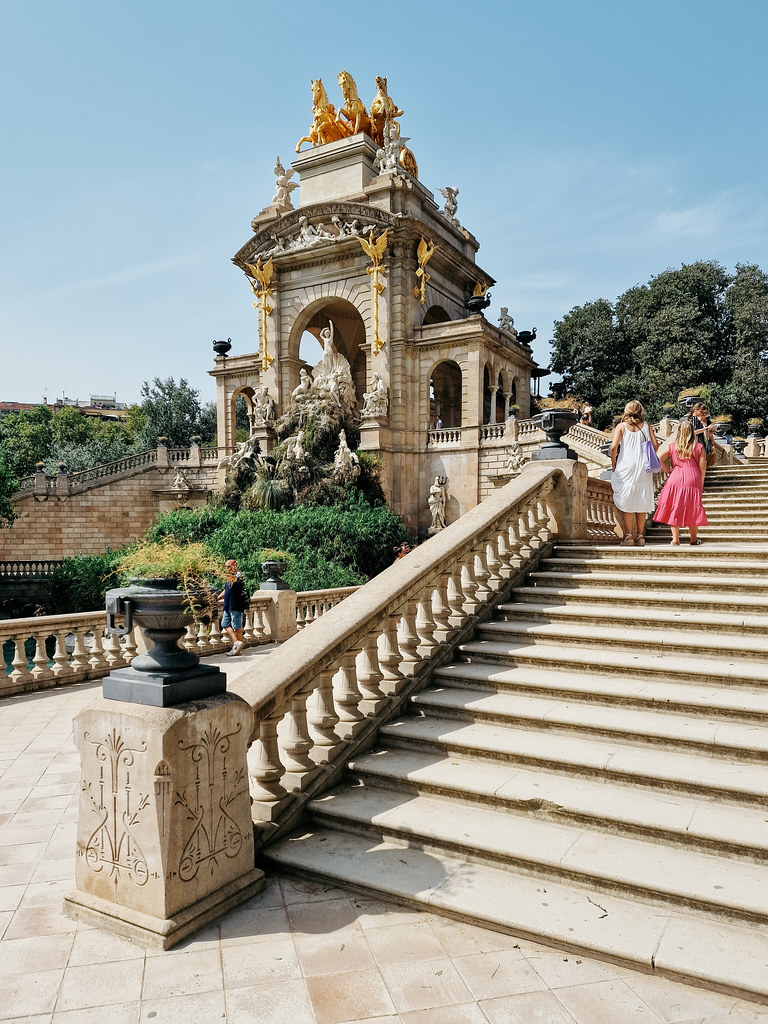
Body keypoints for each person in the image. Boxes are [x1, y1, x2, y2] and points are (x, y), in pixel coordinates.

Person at [610, 399, 659, 545]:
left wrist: (613, 463)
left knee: (628, 500)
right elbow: (656, 445)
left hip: (627, 465)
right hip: (643, 466)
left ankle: (628, 536)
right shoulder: (646, 426)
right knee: (641, 501)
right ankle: (640, 536)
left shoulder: (621, 426)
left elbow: (613, 447)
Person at [653, 419, 708, 545]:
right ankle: (693, 539)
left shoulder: (673, 446)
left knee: (675, 506)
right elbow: (702, 466)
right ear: (692, 433)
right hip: (692, 477)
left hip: (675, 477)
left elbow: (658, 458)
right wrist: (701, 482)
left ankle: (675, 538)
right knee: (693, 507)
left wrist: (667, 470)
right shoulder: (699, 447)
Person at [218, 558, 248, 656]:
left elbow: (234, 580)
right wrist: (217, 598)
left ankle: (236, 649)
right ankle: (237, 643)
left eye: (229, 566)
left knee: (237, 627)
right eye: (226, 567)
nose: (227, 568)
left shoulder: (238, 576)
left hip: (236, 605)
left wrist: (219, 574)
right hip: (227, 605)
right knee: (225, 624)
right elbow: (226, 590)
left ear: (234, 565)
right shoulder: (229, 578)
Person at [688, 402, 716, 466]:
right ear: (696, 410)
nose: (703, 414)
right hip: (698, 444)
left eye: (705, 413)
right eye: (701, 411)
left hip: (701, 444)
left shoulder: (695, 420)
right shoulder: (694, 419)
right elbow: (694, 432)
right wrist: (706, 428)